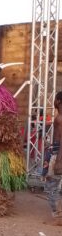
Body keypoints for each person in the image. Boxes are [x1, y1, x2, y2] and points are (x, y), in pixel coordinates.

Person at [45, 92, 62, 223]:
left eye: (55, 99)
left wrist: (58, 161)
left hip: (58, 154)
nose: (54, 102)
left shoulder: (60, 118)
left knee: (51, 185)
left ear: (59, 101)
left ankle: (58, 215)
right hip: (56, 152)